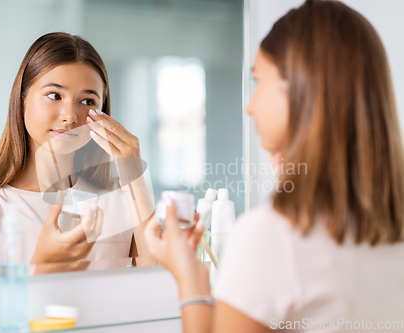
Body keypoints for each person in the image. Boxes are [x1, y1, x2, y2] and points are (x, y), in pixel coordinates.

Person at [144, 1, 404, 332]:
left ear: (301, 90)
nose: (250, 107)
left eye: (258, 80)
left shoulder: (272, 237)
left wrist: (190, 282)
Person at [0, 32, 156, 274]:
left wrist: (135, 178)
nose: (70, 115)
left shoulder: (120, 198)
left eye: (88, 101)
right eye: (54, 95)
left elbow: (157, 285)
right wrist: (43, 265)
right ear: (21, 102)